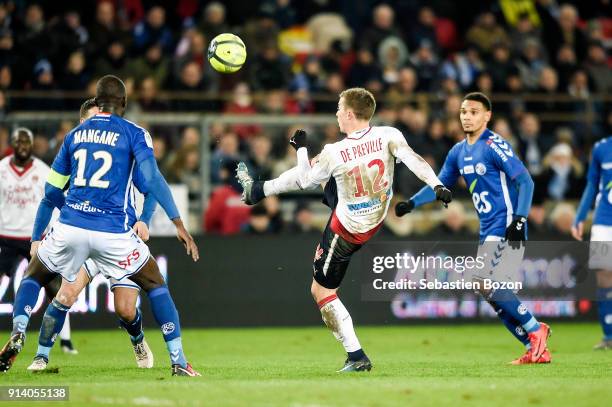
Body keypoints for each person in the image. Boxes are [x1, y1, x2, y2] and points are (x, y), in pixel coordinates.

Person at [237, 87, 451, 372]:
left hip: (347, 229)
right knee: (325, 172)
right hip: (376, 213)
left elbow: (304, 180)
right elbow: (414, 160)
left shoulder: (335, 152)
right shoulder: (389, 135)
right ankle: (259, 190)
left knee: (321, 291)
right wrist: (437, 185)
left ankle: (356, 355)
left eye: (339, 109)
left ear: (349, 114)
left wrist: (300, 147)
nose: (337, 113)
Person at [0, 75, 200, 376]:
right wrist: (179, 224)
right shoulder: (134, 133)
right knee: (155, 284)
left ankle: (18, 329)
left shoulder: (74, 137)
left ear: (97, 100)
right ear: (124, 103)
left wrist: (37, 239)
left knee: (34, 275)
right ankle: (179, 361)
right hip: (112, 232)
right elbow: (153, 180)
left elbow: (51, 192)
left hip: (72, 226)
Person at [396, 92, 551, 365]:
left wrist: (520, 218)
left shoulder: (494, 144)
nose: (467, 116)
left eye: (474, 112)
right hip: (488, 227)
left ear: (487, 116)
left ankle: (536, 329)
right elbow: (439, 185)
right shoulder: (458, 151)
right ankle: (534, 345)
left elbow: (526, 181)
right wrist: (411, 203)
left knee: (484, 282)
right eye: (464, 111)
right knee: (489, 290)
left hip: (505, 223)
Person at [25, 98, 158, 371]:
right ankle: (41, 356)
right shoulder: (73, 156)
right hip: (83, 235)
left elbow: (151, 185)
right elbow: (49, 197)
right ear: (82, 124)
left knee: (125, 310)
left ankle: (137, 338)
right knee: (65, 295)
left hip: (118, 237)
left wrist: (143, 219)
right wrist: (39, 236)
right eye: (91, 121)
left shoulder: (124, 150)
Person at [0, 127, 77, 354]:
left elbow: (53, 199)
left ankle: (66, 340)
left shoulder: (43, 170)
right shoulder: (2, 169)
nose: (23, 146)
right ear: (12, 145)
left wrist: (53, 230)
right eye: (19, 142)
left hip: (35, 238)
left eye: (27, 142)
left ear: (32, 145)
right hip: (6, 235)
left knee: (55, 287)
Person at [572, 136, 612, 350]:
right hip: (605, 219)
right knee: (604, 274)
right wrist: (580, 216)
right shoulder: (601, 148)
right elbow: (592, 183)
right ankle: (609, 335)